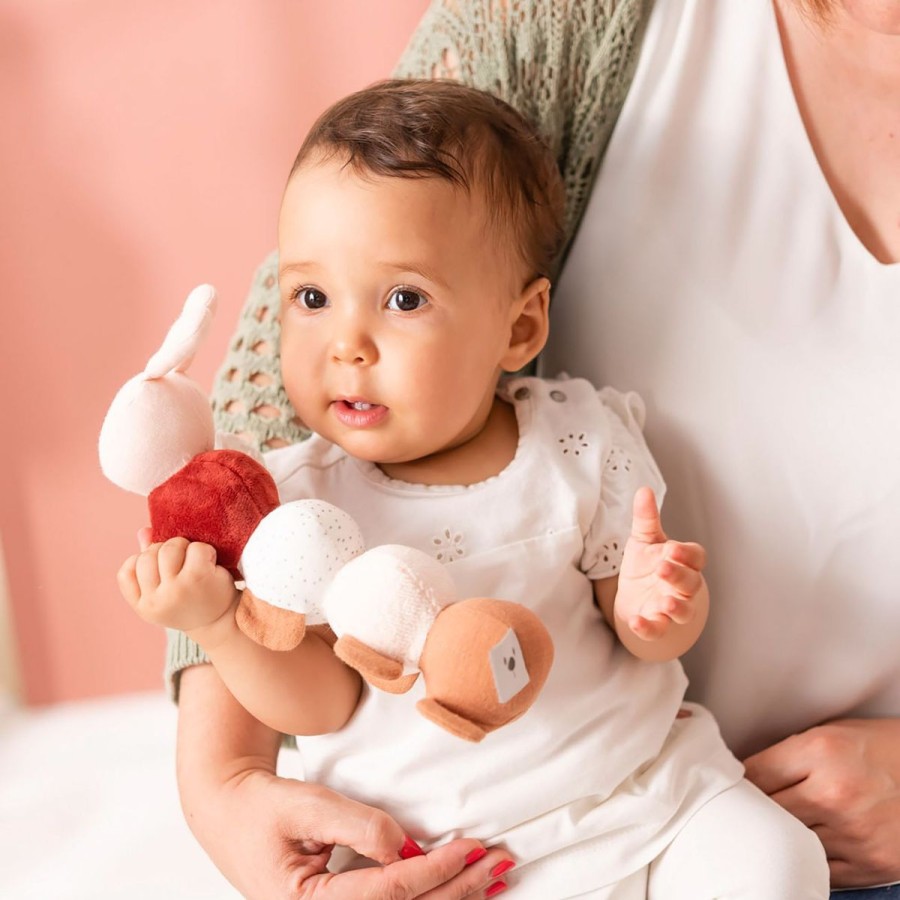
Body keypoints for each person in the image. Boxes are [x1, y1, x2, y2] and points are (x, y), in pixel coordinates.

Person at [156, 0, 900, 897]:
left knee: (771, 867)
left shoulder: (574, 440)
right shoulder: (302, 503)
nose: (347, 344)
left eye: (402, 303)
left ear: (522, 325)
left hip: (668, 794)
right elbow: (261, 443)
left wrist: (655, 598)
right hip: (464, 852)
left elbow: (634, 600)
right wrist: (224, 768)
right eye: (311, 301)